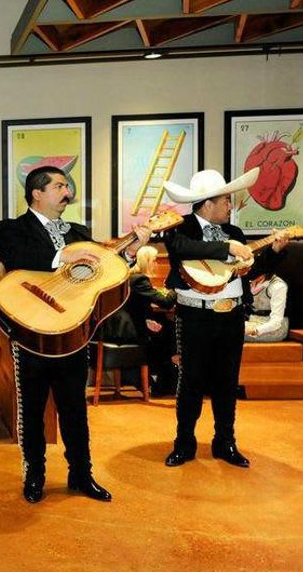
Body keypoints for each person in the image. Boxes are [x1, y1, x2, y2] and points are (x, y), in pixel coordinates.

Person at [0, 166, 150, 503]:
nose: (67, 191)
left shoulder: (80, 231)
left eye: (67, 185)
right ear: (37, 192)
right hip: (31, 331)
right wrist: (64, 255)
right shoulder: (11, 228)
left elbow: (105, 271)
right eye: (60, 185)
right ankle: (35, 475)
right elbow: (18, 257)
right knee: (32, 411)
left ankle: (82, 474)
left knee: (75, 410)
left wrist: (132, 250)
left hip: (74, 332)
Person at [161, 168, 287, 468]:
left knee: (227, 382)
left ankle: (225, 442)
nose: (231, 206)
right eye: (226, 201)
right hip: (194, 318)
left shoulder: (236, 233)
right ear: (208, 203)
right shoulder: (181, 227)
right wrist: (225, 248)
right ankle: (184, 443)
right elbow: (179, 249)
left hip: (230, 317)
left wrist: (275, 253)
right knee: (190, 381)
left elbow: (251, 270)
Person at [99, 246, 177, 395]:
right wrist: (177, 287)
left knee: (164, 328)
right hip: (126, 331)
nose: (157, 264)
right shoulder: (140, 279)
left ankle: (158, 379)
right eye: (154, 261)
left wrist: (146, 320)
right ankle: (158, 380)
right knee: (169, 331)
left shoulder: (129, 277)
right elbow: (166, 303)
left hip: (120, 326)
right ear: (146, 262)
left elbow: (131, 307)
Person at [244, 273, 289, 342]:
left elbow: (276, 322)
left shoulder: (278, 286)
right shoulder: (251, 281)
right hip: (253, 321)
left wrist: (255, 330)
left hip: (274, 328)